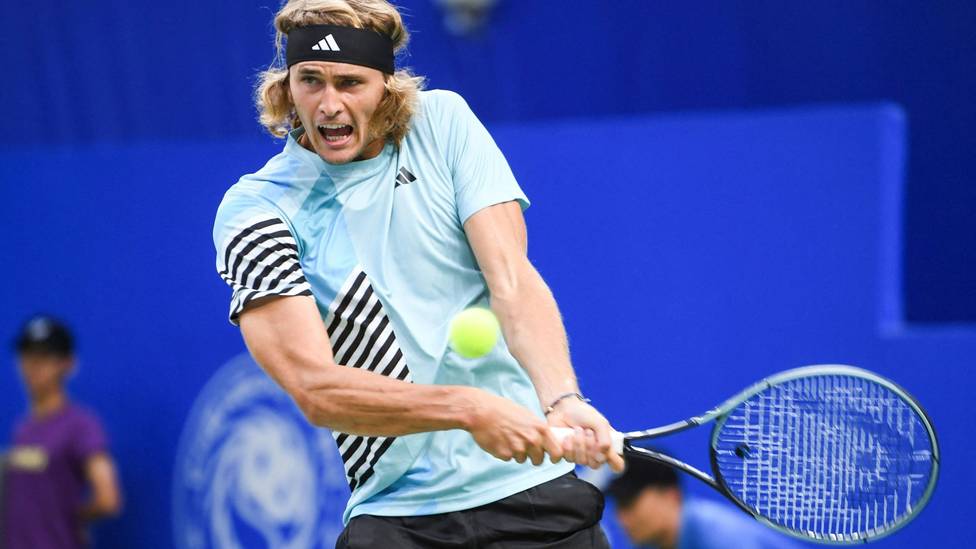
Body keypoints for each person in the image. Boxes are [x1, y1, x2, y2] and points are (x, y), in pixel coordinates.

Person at [212, 0, 624, 546]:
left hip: (532, 496)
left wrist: (563, 399)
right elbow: (316, 388)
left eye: (350, 83)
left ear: (386, 86)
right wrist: (467, 408)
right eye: (310, 80)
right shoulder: (256, 209)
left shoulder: (443, 123)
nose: (329, 105)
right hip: (397, 515)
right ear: (286, 87)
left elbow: (511, 279)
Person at [2, 316, 122, 549]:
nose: (34, 365)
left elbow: (108, 498)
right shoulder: (23, 429)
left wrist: (69, 520)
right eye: (27, 355)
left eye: (44, 357)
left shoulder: (80, 425)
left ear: (67, 363)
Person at [605, 456, 800, 549]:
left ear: (671, 496)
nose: (622, 519)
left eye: (629, 503)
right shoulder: (648, 544)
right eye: (619, 505)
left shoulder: (723, 539)